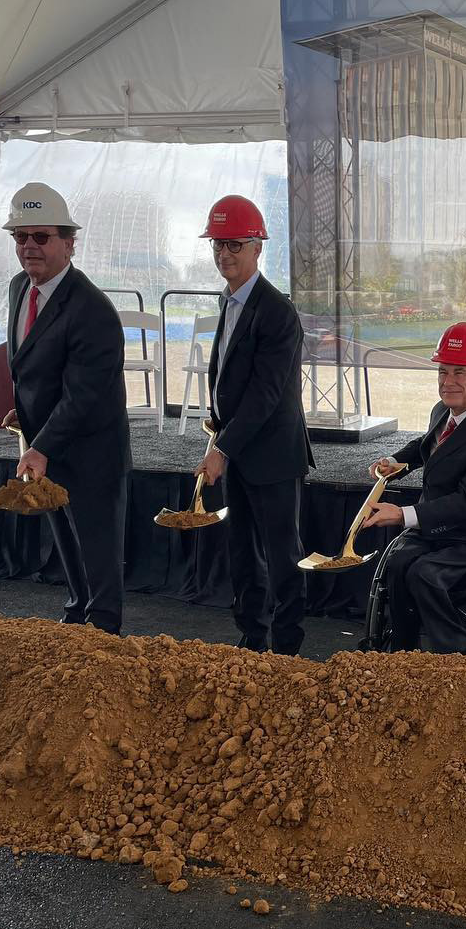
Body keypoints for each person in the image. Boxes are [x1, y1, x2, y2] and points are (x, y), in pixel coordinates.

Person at [1, 182, 131, 635]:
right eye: (21, 237)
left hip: (91, 450)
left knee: (97, 549)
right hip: (49, 447)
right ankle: (77, 620)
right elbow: (31, 364)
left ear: (69, 243)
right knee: (69, 548)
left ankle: (104, 636)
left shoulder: (92, 309)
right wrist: (26, 410)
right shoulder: (20, 288)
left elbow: (85, 394)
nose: (30, 246)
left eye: (42, 237)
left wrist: (40, 445)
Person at [193, 195, 314, 655]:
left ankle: (287, 648)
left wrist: (222, 448)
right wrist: (221, 432)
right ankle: (251, 637)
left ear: (258, 247)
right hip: (240, 451)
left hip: (273, 456)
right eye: (219, 244)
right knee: (242, 553)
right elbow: (230, 376)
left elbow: (267, 393)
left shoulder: (277, 311)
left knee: (283, 555)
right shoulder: (230, 302)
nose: (225, 254)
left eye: (236, 245)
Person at [361, 322, 466, 654]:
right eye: (443, 372)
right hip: (433, 534)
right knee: (398, 564)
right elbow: (428, 443)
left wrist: (403, 514)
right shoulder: (443, 411)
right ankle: (401, 656)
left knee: (423, 573)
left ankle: (459, 657)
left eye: (459, 372)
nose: (448, 382)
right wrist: (396, 461)